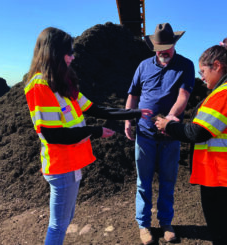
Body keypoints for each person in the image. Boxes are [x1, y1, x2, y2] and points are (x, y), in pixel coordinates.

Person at [24, 27, 152, 245]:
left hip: (72, 163)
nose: (73, 57)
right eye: (68, 52)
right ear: (53, 53)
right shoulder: (40, 86)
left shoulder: (62, 85)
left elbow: (96, 109)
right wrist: (95, 131)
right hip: (61, 165)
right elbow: (53, 135)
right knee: (58, 225)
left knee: (64, 220)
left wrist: (135, 112)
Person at [155, 37, 227, 245]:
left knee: (222, 233)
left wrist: (168, 126)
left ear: (217, 66)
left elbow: (198, 132)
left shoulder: (226, 92)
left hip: (223, 176)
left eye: (203, 72)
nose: (201, 78)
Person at [125, 23, 195, 244]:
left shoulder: (185, 65)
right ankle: (144, 225)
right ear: (154, 47)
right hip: (144, 136)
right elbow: (133, 95)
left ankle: (166, 222)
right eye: (159, 48)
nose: (163, 52)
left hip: (170, 137)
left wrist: (169, 119)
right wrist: (128, 118)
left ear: (174, 45)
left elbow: (183, 97)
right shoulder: (143, 66)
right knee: (142, 182)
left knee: (167, 180)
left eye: (167, 47)